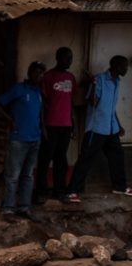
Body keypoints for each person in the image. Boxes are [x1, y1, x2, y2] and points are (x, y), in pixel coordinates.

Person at [65, 55, 132, 201]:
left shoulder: (117, 81)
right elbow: (92, 102)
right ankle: (71, 191)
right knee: (86, 159)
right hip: (96, 128)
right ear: (116, 66)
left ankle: (119, 187)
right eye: (124, 66)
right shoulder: (100, 79)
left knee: (117, 156)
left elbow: (110, 107)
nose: (126, 69)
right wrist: (94, 84)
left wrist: (118, 124)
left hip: (111, 128)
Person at [0, 61, 45, 222]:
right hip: (18, 140)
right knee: (13, 176)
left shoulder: (38, 92)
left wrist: (42, 130)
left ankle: (24, 207)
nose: (38, 76)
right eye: (36, 72)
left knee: (28, 175)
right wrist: (10, 120)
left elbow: (39, 112)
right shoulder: (19, 89)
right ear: (29, 73)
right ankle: (8, 209)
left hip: (34, 139)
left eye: (41, 73)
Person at [34, 48, 78, 204]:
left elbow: (71, 102)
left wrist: (74, 124)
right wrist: (43, 126)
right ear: (58, 58)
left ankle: (59, 191)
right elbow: (41, 103)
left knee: (61, 159)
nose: (69, 61)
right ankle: (41, 192)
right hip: (51, 124)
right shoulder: (48, 77)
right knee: (45, 159)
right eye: (67, 58)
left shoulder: (71, 78)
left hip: (65, 124)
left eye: (71, 58)